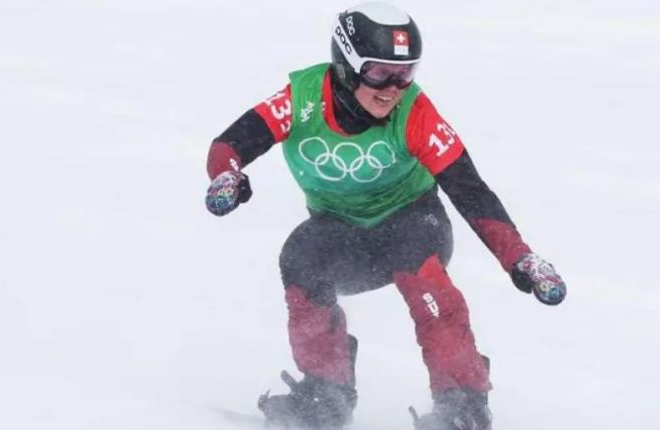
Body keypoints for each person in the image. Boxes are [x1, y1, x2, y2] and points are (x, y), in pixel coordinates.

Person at [205, 2, 566, 429]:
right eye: (379, 73)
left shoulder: (415, 112)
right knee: (300, 259)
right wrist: (226, 176)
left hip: (412, 223)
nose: (392, 89)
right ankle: (326, 394)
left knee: (429, 289)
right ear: (345, 65)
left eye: (405, 74)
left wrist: (519, 258)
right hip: (341, 233)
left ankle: (464, 407)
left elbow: (471, 191)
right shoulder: (302, 100)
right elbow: (230, 144)